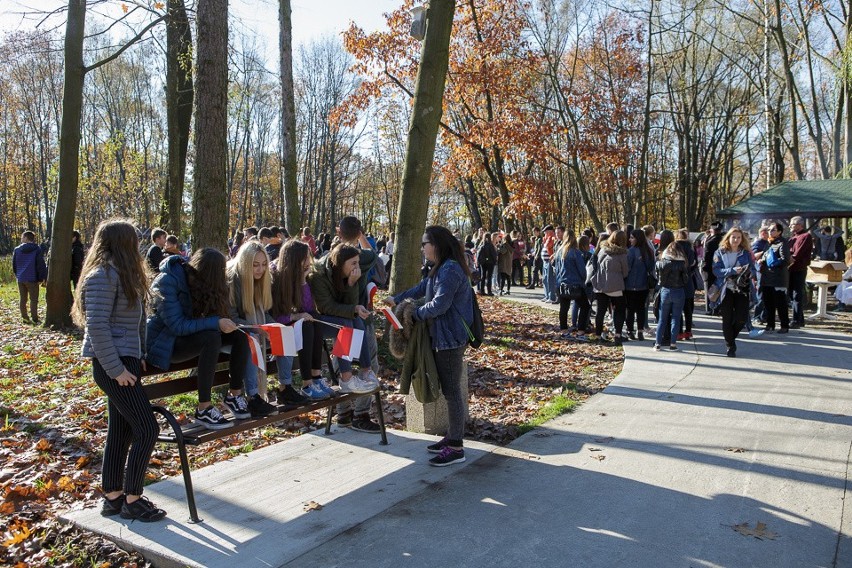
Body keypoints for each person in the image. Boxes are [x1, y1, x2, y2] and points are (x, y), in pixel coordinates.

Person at [72, 219, 165, 522]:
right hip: (111, 364)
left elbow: (131, 323)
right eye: (133, 241)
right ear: (121, 244)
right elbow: (96, 328)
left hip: (125, 361)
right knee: (148, 428)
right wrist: (115, 369)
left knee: (121, 430)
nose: (138, 246)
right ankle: (133, 499)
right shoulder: (102, 276)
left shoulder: (122, 275)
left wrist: (136, 356)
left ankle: (112, 496)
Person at [386, 225, 473, 466]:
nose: (422, 247)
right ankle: (452, 437)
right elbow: (421, 289)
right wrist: (398, 298)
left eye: (425, 243)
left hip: (450, 339)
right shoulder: (440, 268)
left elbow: (439, 305)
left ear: (437, 245)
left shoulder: (451, 270)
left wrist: (413, 315)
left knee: (452, 392)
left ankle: (456, 447)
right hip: (442, 337)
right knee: (449, 390)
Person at [146, 248, 252, 429]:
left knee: (240, 336)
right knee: (211, 337)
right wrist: (216, 323)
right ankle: (204, 408)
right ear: (208, 272)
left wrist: (227, 323)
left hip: (193, 337)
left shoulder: (205, 284)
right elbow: (177, 326)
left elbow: (215, 317)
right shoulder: (168, 281)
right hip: (165, 343)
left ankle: (234, 395)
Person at [271, 239, 330, 404]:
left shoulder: (300, 276)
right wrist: (296, 317)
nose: (308, 262)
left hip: (293, 322)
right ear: (293, 259)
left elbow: (309, 307)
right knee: (306, 327)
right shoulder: (275, 276)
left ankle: (316, 376)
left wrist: (303, 281)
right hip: (280, 324)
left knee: (315, 319)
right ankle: (307, 384)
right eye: (305, 258)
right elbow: (275, 315)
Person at [226, 242, 280, 417]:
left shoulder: (261, 281)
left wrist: (273, 327)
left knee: (283, 334)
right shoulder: (232, 280)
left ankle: (286, 385)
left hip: (249, 329)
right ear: (245, 263)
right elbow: (231, 317)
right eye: (255, 265)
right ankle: (253, 396)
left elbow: (263, 312)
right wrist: (258, 329)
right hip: (229, 333)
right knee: (251, 339)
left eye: (264, 264)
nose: (260, 270)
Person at [712, 227, 752, 357]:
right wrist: (732, 270)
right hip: (725, 289)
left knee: (741, 318)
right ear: (728, 238)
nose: (736, 240)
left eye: (738, 237)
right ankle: (730, 345)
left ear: (742, 239)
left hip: (742, 289)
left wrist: (748, 272)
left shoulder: (745, 253)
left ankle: (730, 338)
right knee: (727, 319)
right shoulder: (720, 252)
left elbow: (751, 269)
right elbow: (716, 271)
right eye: (733, 237)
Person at [590, 230, 629, 342]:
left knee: (600, 311)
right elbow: (625, 271)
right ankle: (617, 334)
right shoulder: (622, 254)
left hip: (601, 284)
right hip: (615, 285)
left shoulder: (603, 250)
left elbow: (597, 265)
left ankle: (598, 335)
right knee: (619, 309)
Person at [654, 242, 689, 351]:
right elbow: (686, 280)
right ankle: (673, 344)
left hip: (665, 291)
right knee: (675, 318)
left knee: (662, 319)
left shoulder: (662, 262)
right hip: (678, 291)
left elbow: (656, 276)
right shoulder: (682, 264)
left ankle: (657, 344)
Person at [554, 229, 589, 338]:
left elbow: (557, 268)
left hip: (562, 283)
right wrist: (584, 280)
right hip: (575, 284)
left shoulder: (559, 251)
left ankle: (564, 330)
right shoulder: (575, 252)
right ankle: (581, 330)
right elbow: (582, 270)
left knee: (564, 307)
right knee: (585, 306)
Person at [757, 221, 790, 333]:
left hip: (778, 278)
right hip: (766, 278)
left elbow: (785, 260)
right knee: (768, 303)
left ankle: (784, 326)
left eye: (772, 230)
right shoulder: (769, 243)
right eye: (769, 230)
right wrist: (763, 260)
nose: (770, 232)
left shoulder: (783, 243)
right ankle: (770, 324)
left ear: (779, 232)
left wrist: (773, 262)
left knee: (780, 303)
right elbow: (766, 255)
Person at [625, 229, 655, 341]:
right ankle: (640, 331)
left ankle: (630, 330)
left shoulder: (631, 251)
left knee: (630, 309)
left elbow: (627, 268)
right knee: (641, 309)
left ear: (637, 239)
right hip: (644, 285)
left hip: (631, 285)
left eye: (632, 237)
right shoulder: (648, 251)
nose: (630, 239)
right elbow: (651, 267)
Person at [13, 230, 47, 324]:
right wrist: (41, 278)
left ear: (26, 238)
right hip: (32, 278)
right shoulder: (37, 249)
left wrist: (17, 274)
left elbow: (14, 264)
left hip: (21, 278)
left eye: (22, 237)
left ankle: (25, 317)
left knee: (23, 299)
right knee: (34, 299)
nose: (21, 239)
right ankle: (34, 318)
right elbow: (40, 264)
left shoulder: (17, 249)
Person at [787, 216, 813, 328]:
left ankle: (796, 320)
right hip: (790, 269)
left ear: (799, 225)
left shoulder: (806, 236)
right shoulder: (792, 238)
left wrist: (787, 262)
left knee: (796, 295)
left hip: (798, 269)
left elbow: (797, 254)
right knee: (792, 295)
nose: (790, 226)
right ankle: (800, 320)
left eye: (792, 224)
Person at [702, 221, 724, 314]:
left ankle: (711, 308)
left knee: (709, 289)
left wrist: (704, 268)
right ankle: (718, 308)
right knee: (720, 288)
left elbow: (706, 257)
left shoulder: (709, 242)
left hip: (710, 269)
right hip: (721, 268)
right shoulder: (723, 241)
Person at [541, 225, 557, 302]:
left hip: (550, 261)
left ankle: (552, 297)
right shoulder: (546, 238)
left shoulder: (553, 238)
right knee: (545, 279)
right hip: (545, 261)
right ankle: (547, 295)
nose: (545, 233)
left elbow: (551, 248)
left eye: (546, 232)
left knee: (550, 279)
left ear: (551, 231)